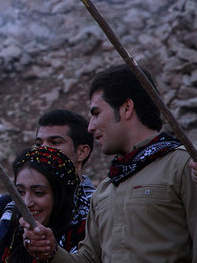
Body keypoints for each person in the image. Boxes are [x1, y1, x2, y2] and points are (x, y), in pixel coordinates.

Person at [22, 64, 197, 262]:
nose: (90, 126)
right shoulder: (106, 189)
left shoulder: (184, 166)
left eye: (96, 113)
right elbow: (88, 259)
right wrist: (52, 251)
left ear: (126, 108)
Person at [0, 146, 81, 263]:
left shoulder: (82, 235)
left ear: (61, 195)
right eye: (20, 192)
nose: (27, 203)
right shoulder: (12, 233)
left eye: (38, 193)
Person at [35, 109, 95, 227]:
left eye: (55, 143)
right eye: (38, 144)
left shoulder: (98, 207)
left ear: (82, 152)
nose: (43, 150)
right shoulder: (19, 207)